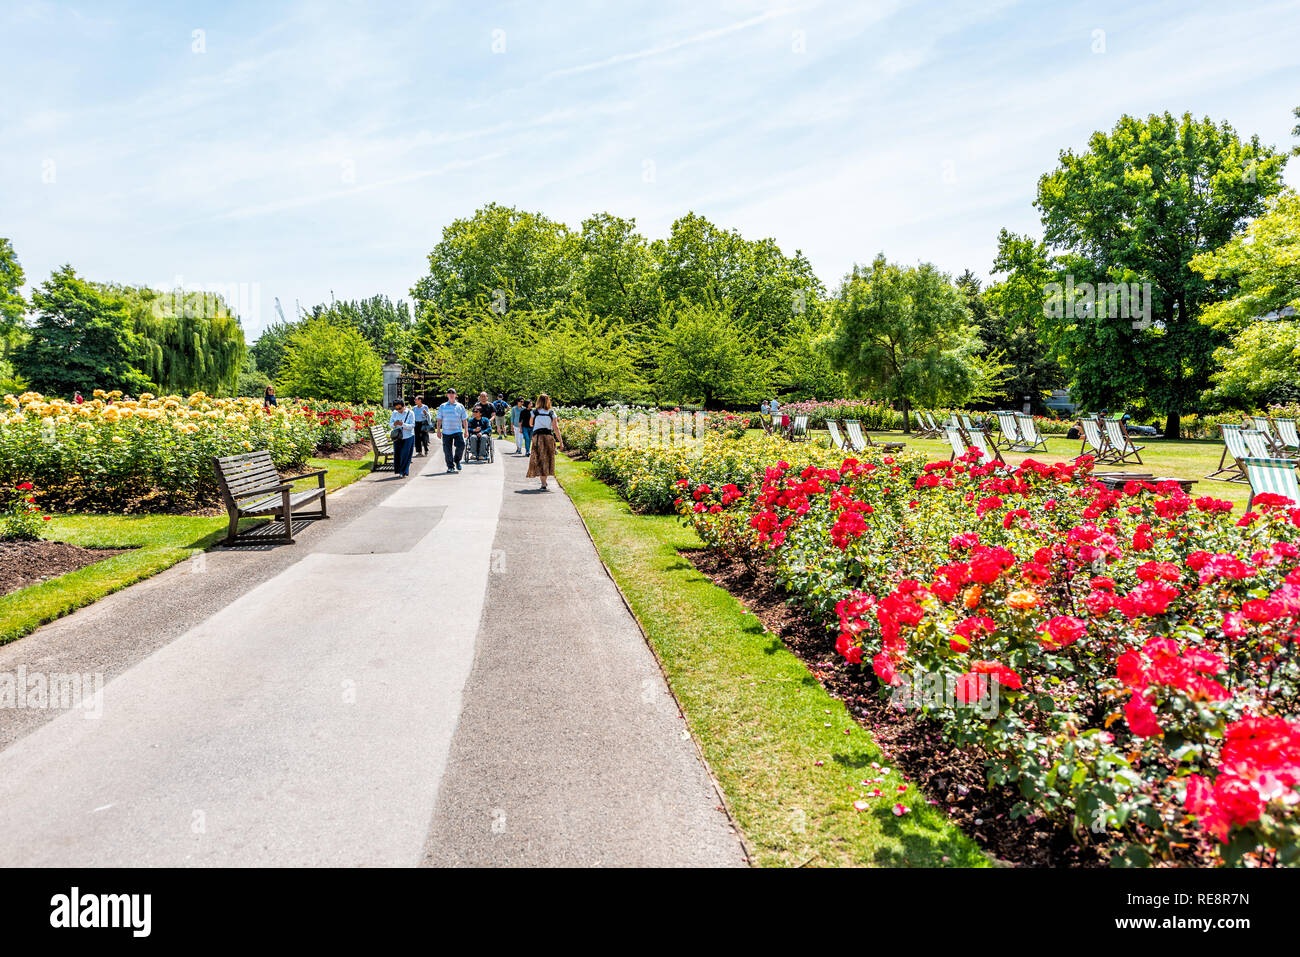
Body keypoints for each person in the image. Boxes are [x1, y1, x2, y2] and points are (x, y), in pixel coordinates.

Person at [527, 393, 562, 491]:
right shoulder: (551, 413)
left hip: (538, 437)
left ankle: (543, 483)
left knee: (539, 459)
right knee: (547, 459)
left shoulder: (534, 412)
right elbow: (556, 428)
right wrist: (561, 442)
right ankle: (544, 482)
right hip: (548, 437)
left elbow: (531, 424)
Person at [436, 388, 469, 473]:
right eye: (449, 393)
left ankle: (457, 460)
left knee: (461, 445)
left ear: (455, 395)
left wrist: (466, 431)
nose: (451, 394)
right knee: (447, 450)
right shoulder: (442, 406)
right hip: (446, 432)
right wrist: (438, 431)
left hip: (457, 431)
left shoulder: (460, 406)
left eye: (453, 393)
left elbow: (464, 420)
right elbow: (439, 419)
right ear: (447, 395)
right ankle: (450, 466)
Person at [389, 400, 416, 477]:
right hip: (397, 437)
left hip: (408, 436)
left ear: (404, 406)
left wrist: (403, 424)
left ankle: (403, 472)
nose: (398, 410)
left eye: (400, 408)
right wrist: (395, 424)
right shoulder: (394, 413)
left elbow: (412, 426)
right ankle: (399, 471)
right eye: (396, 408)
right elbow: (390, 424)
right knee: (397, 454)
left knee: (405, 454)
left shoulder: (410, 413)